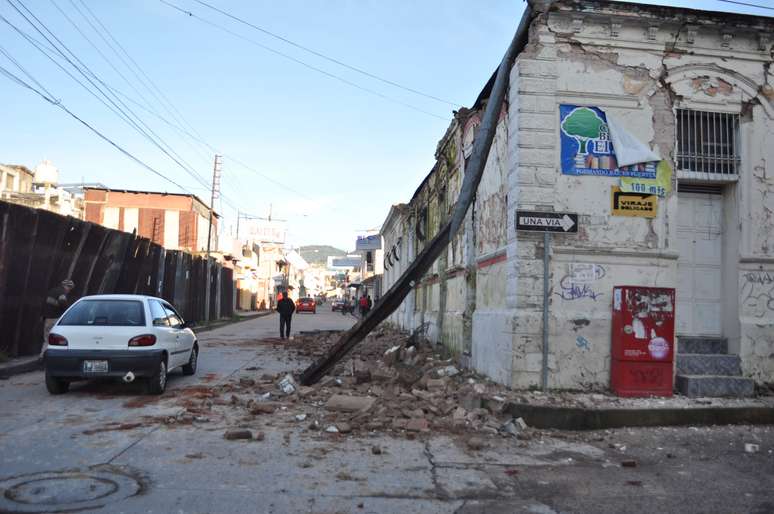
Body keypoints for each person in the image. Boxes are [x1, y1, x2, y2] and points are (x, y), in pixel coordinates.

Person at [41, 279, 75, 352]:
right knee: (57, 338)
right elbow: (62, 303)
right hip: (56, 319)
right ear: (66, 286)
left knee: (47, 338)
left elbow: (44, 304)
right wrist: (68, 311)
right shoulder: (62, 293)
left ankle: (42, 355)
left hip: (47, 318)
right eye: (70, 288)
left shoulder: (51, 291)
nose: (69, 291)